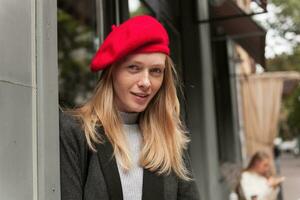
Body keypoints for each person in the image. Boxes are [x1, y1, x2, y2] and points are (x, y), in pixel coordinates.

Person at [59, 15, 200, 200]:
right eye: (134, 68)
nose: (146, 82)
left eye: (156, 71)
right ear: (112, 72)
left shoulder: (169, 137)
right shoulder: (76, 132)